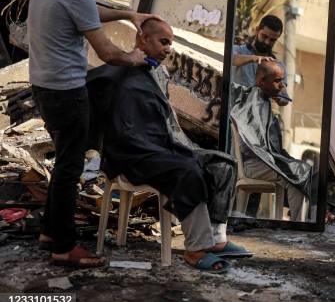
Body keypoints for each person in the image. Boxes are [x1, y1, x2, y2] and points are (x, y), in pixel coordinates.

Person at [28, 0, 160, 268]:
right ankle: (64, 247)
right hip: (67, 93)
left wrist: (128, 15)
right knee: (71, 168)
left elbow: (88, 12)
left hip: (43, 88)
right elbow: (107, 51)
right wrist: (136, 59)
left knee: (64, 163)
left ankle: (50, 232)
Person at [87, 18, 250, 273]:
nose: (168, 49)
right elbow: (123, 132)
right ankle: (195, 250)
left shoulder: (155, 74)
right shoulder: (114, 76)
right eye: (163, 42)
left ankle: (217, 241)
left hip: (159, 148)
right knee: (187, 170)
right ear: (143, 39)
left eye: (170, 44)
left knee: (223, 164)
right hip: (132, 155)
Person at [231, 61, 313, 221]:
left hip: (264, 161)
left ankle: (301, 220)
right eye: (277, 81)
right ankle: (297, 226)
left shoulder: (263, 100)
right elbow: (252, 146)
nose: (281, 85)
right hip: (253, 164)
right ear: (261, 81)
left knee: (302, 170)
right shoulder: (252, 103)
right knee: (299, 174)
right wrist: (276, 159)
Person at [232, 15, 287, 87]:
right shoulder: (238, 50)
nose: (267, 42)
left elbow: (281, 92)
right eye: (264, 36)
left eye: (272, 40)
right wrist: (255, 58)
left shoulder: (279, 66)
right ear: (257, 30)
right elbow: (232, 59)